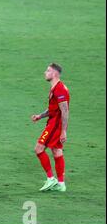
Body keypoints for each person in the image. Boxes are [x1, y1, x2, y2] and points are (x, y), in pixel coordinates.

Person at [31, 63, 70, 192]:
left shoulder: (60, 89)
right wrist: (40, 116)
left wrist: (63, 130)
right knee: (56, 151)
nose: (45, 72)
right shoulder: (55, 88)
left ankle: (50, 178)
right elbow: (53, 108)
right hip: (53, 122)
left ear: (55, 74)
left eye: (48, 71)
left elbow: (65, 111)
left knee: (38, 149)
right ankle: (61, 184)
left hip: (55, 124)